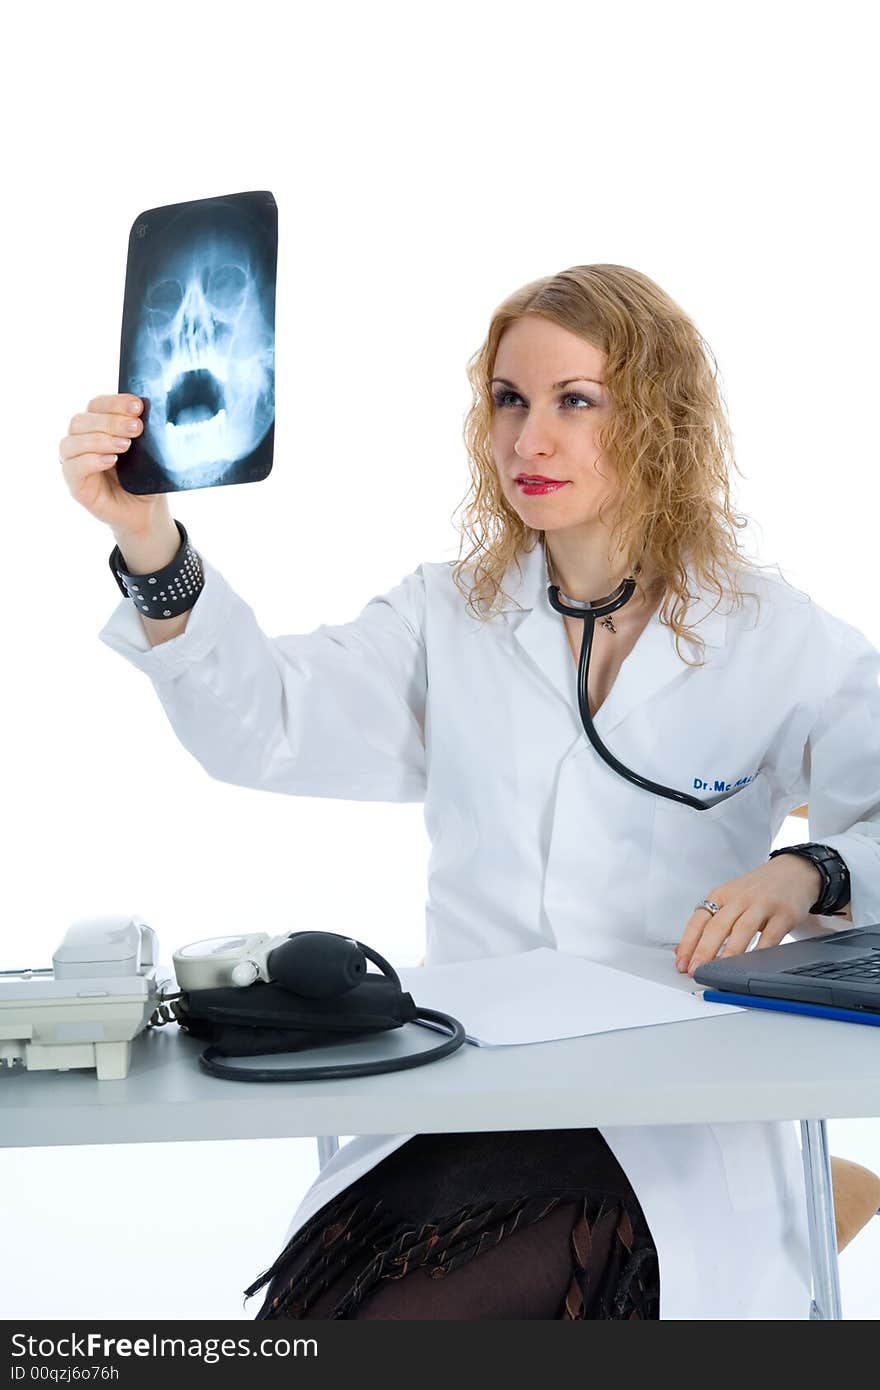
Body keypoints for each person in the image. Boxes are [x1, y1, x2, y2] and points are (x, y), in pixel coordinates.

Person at [59, 263, 880, 1320]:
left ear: (661, 421)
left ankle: (806, 1195)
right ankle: (823, 1198)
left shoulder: (769, 633)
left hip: (672, 1100)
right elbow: (261, 723)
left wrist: (809, 866)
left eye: (574, 402)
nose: (527, 441)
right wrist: (147, 540)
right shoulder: (451, 615)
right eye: (509, 399)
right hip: (468, 1082)